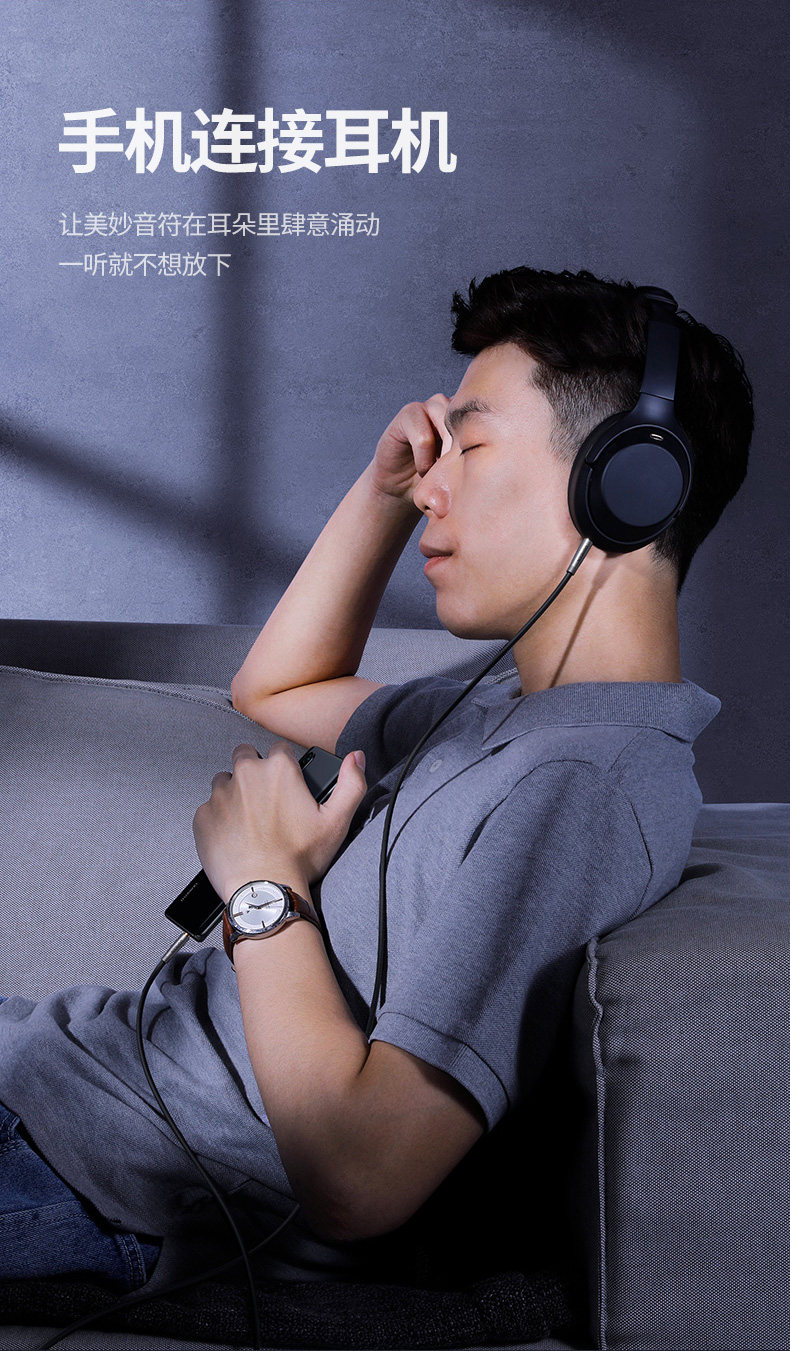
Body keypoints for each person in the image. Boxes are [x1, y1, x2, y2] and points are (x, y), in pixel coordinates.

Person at [0, 265, 754, 1298]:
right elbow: (276, 687)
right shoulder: (500, 714)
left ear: (627, 485)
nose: (433, 483)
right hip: (51, 1070)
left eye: (470, 449)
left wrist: (263, 888)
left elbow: (362, 1178)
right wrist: (381, 492)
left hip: (74, 1169)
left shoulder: (583, 786)